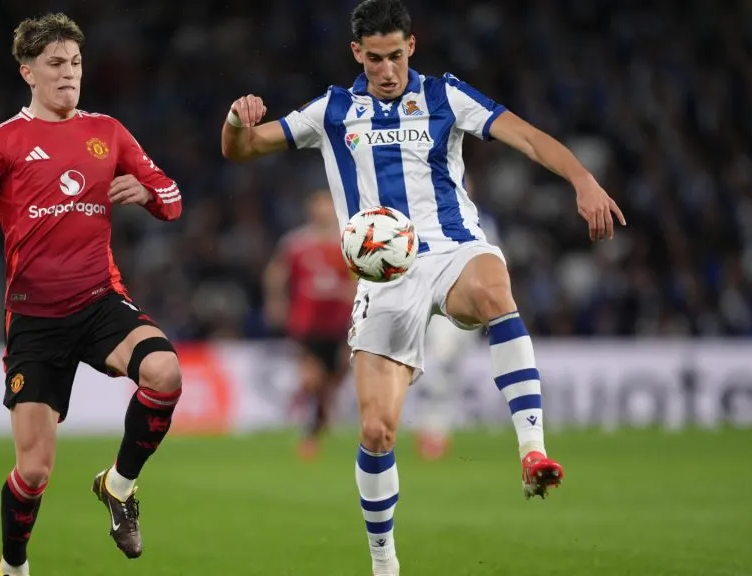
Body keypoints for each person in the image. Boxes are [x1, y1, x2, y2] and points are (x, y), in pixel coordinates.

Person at [219, 1, 625, 574]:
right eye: (376, 59)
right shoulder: (332, 110)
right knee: (378, 430)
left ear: (413, 46)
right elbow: (242, 149)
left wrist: (582, 180)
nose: (388, 70)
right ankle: (385, 563)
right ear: (357, 54)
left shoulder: (445, 96)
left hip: (452, 249)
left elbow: (529, 139)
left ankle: (531, 448)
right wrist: (237, 121)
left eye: (397, 56)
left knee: (493, 293)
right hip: (382, 278)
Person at [0, 13, 184, 575]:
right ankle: (13, 564)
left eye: (76, 64)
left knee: (164, 372)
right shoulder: (4, 141)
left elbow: (172, 194)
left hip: (98, 300)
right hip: (34, 321)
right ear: (28, 72)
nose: (69, 75)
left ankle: (119, 485)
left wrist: (147, 193)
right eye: (56, 65)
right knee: (35, 472)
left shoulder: (108, 132)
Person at [263, 189, 356, 459]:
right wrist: (275, 301)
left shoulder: (348, 239)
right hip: (306, 322)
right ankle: (309, 433)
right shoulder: (296, 242)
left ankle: (317, 426)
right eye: (318, 206)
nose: (322, 211)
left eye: (327, 206)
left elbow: (361, 274)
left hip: (341, 322)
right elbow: (276, 272)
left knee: (333, 380)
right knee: (312, 378)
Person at [414, 209, 500, 460]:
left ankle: (436, 429)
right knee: (438, 361)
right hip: (432, 301)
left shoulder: (483, 220)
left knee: (448, 366)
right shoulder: (424, 211)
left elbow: (494, 264)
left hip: (465, 302)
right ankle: (431, 431)